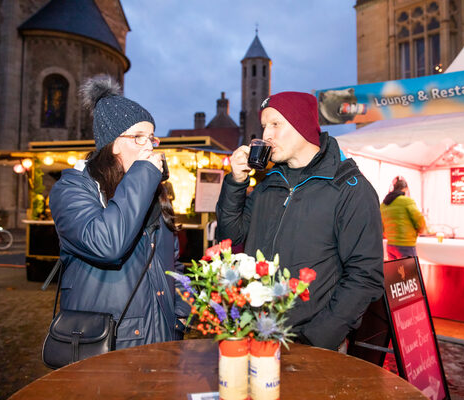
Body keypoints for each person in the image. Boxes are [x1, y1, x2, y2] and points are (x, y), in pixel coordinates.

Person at [216, 91, 384, 351]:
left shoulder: (349, 188)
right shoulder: (268, 185)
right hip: (256, 331)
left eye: (275, 124)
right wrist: (236, 184)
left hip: (312, 344)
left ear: (302, 126)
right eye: (264, 126)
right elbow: (230, 237)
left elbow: (364, 276)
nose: (266, 135)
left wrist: (317, 338)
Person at [49, 75, 189, 349]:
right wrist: (143, 176)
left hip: (160, 334)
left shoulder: (148, 191)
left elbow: (172, 263)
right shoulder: (72, 188)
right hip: (108, 340)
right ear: (112, 144)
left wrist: (181, 315)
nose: (149, 146)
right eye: (138, 137)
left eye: (151, 138)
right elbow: (107, 245)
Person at [380, 177, 426, 260]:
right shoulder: (407, 201)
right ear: (405, 189)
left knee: (395, 272)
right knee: (410, 272)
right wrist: (419, 231)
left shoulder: (383, 204)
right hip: (405, 244)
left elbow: (381, 226)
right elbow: (419, 219)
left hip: (390, 245)